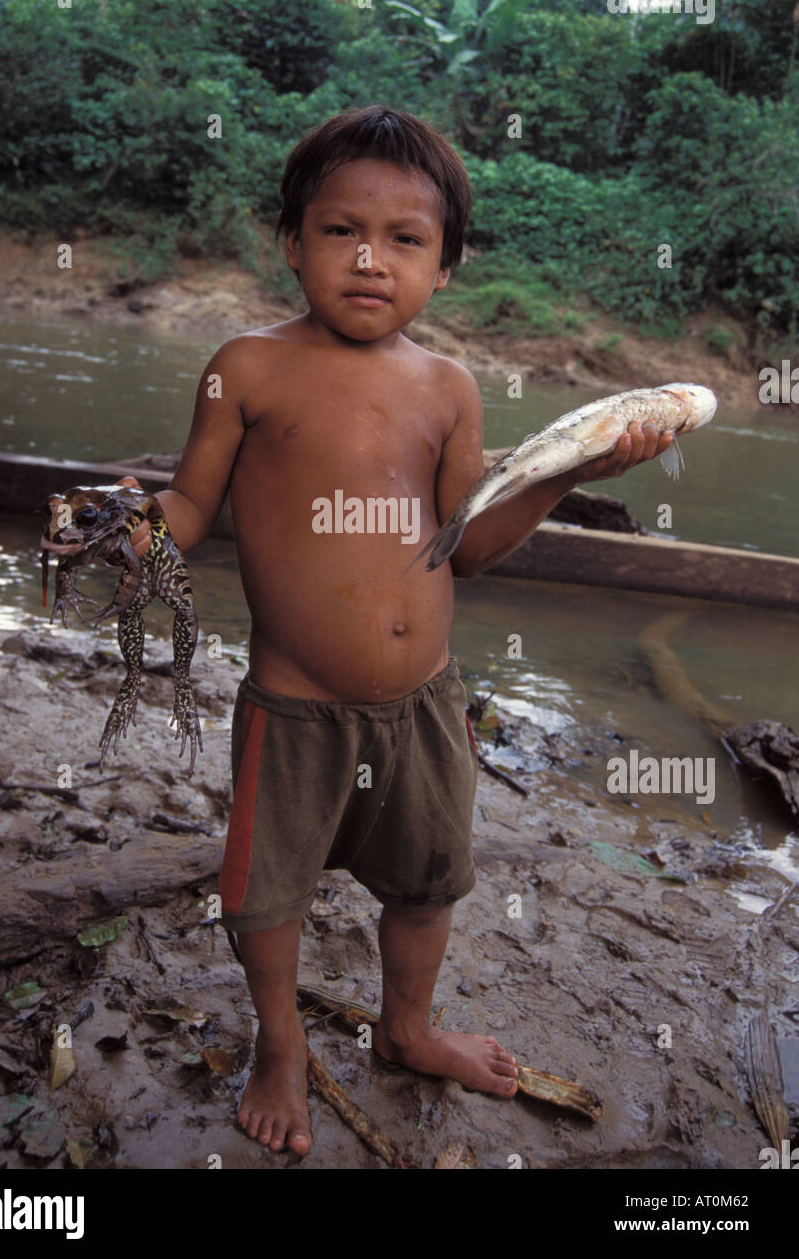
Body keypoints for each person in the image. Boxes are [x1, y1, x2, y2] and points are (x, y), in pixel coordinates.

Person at [122, 105, 674, 1157]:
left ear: (444, 267)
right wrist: (126, 526)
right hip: (294, 711)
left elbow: (463, 546)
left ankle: (406, 1028)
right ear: (291, 242)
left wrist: (568, 474)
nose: (369, 258)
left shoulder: (449, 389)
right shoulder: (243, 368)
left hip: (421, 703)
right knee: (264, 898)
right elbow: (185, 512)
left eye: (405, 239)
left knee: (428, 883)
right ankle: (278, 1046)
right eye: (339, 231)